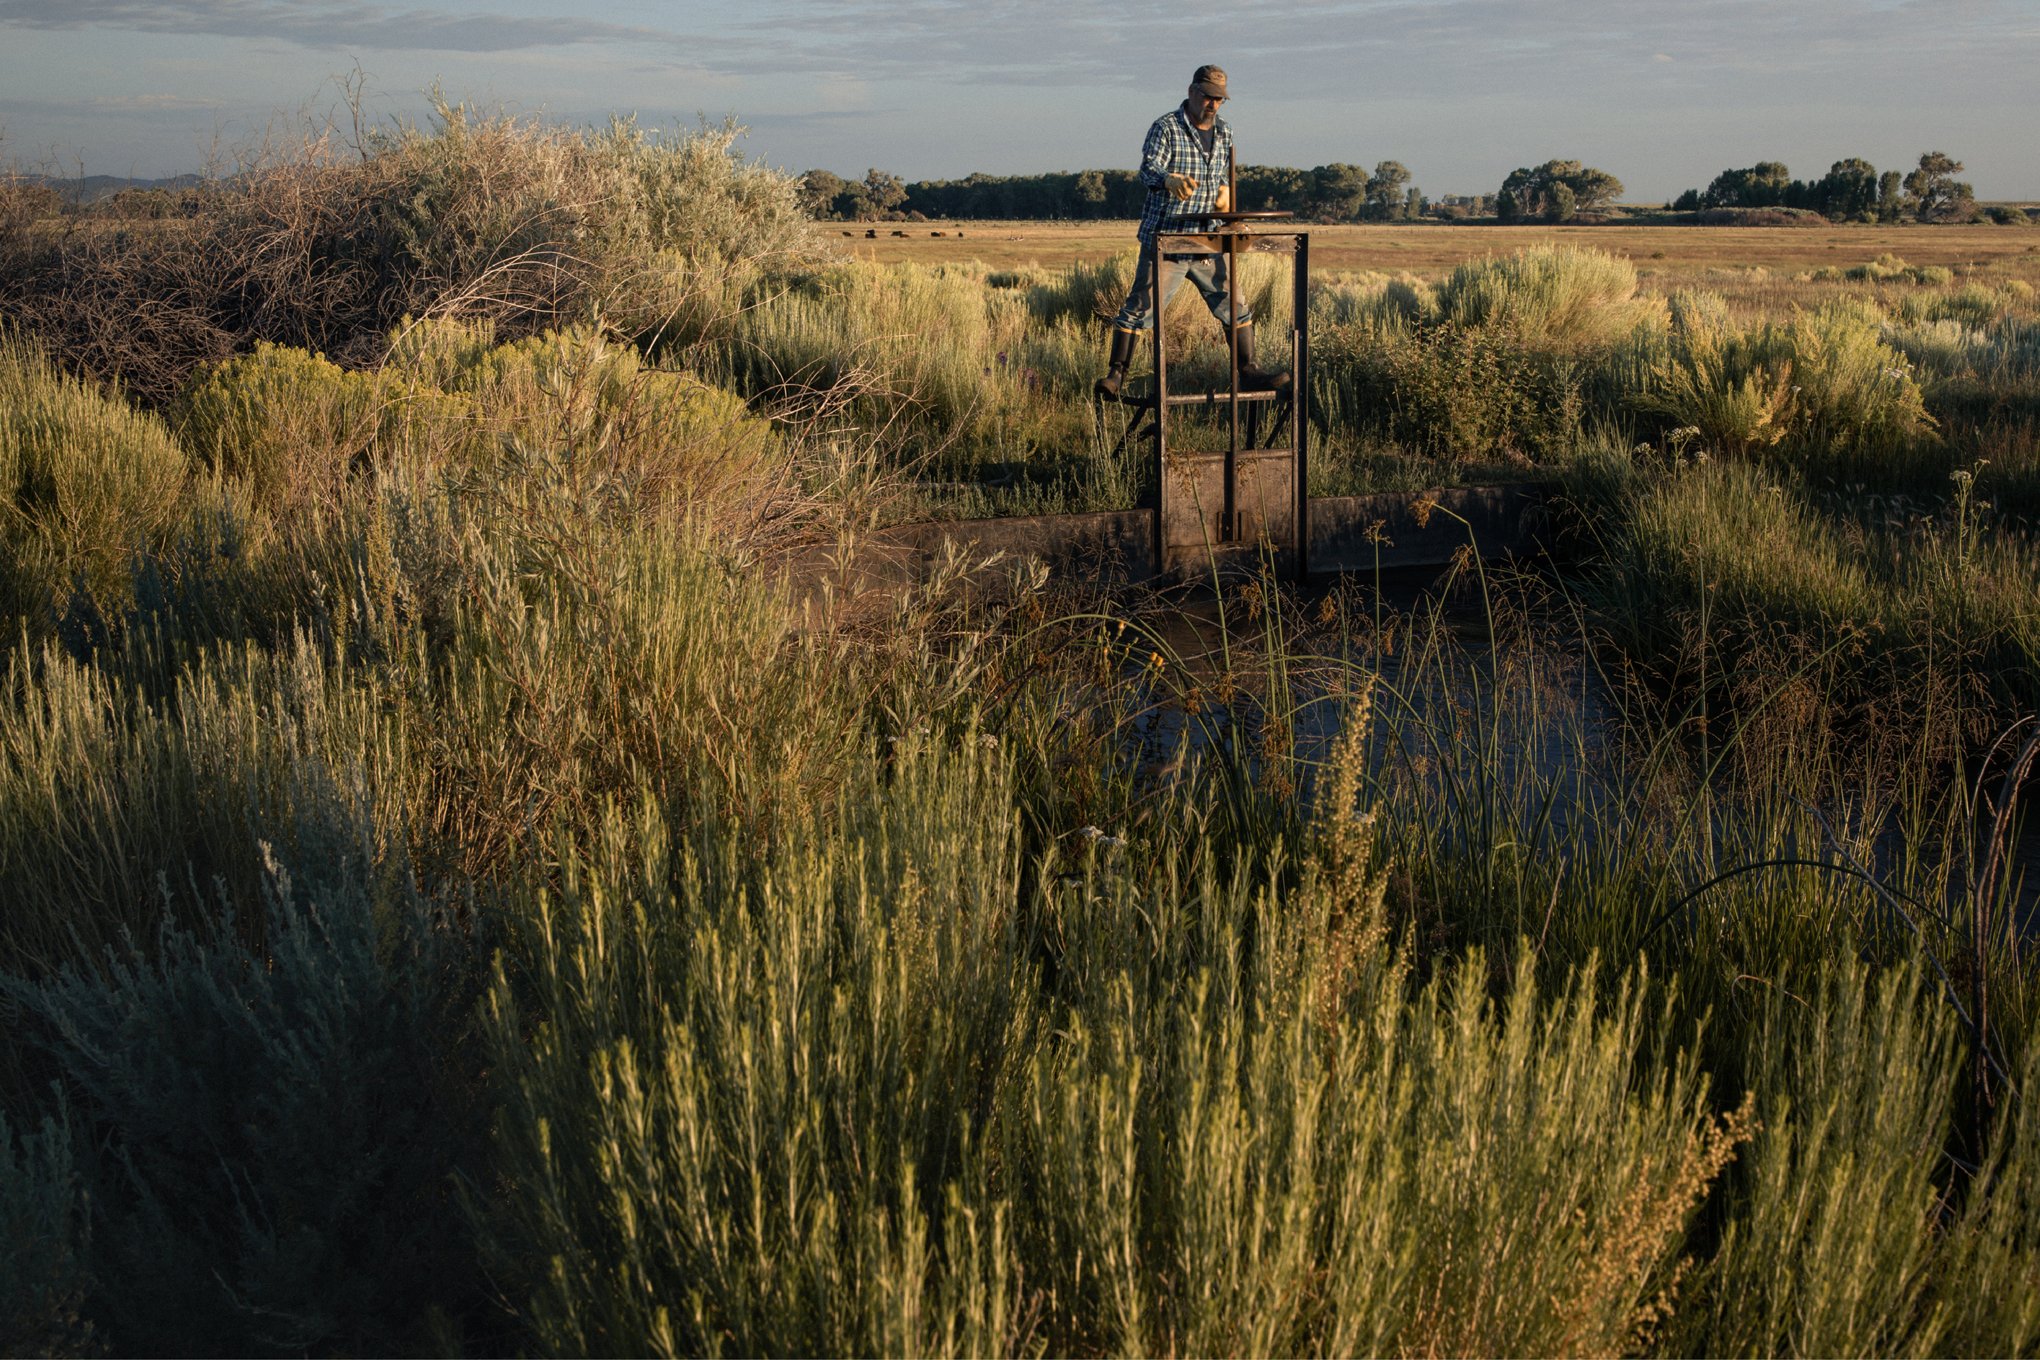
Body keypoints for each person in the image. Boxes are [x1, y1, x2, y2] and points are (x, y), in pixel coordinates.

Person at [1095, 64, 1287, 400]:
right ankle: (1116, 375)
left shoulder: (1225, 133)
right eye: (1208, 97)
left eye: (1220, 100)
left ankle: (1250, 371)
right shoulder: (1166, 128)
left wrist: (1230, 219)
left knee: (1235, 303)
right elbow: (1148, 169)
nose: (1213, 105)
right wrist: (1169, 180)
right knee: (1141, 307)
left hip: (1207, 239)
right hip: (1167, 240)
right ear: (1191, 92)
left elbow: (1223, 185)